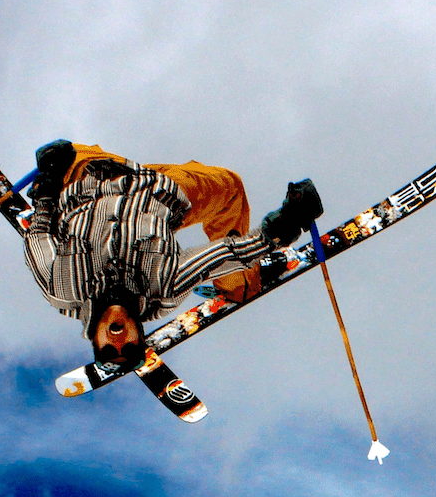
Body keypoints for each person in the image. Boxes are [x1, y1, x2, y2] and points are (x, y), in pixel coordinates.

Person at [22, 139, 323, 368]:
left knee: (65, 150)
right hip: (160, 190)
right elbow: (221, 255)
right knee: (230, 187)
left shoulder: (61, 290)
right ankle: (242, 285)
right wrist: (285, 223)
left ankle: (64, 161)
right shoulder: (163, 290)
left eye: (108, 348)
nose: (118, 341)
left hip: (85, 181)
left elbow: (36, 235)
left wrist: (48, 187)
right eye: (128, 347)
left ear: (95, 339)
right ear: (138, 333)